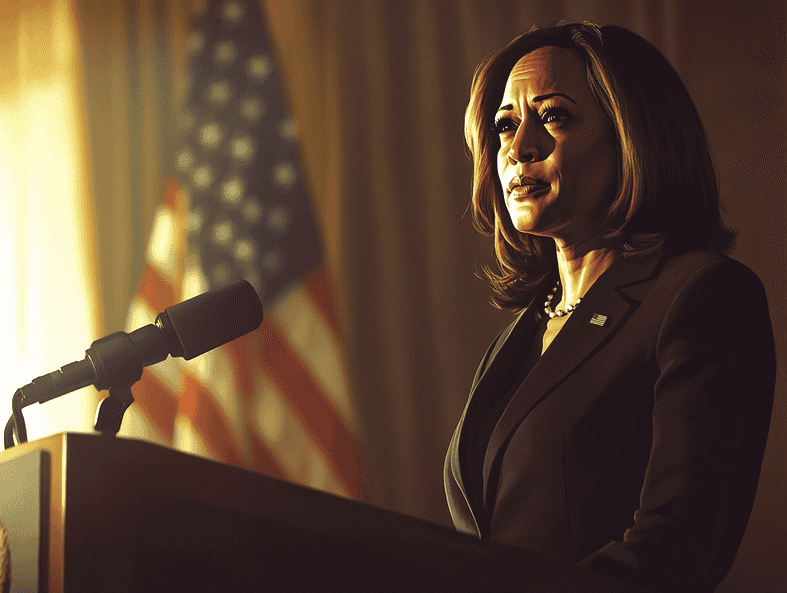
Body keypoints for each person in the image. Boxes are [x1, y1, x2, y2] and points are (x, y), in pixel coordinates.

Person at [444, 22, 775, 593]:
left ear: (632, 136)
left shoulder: (703, 295)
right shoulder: (519, 335)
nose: (518, 147)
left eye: (553, 116)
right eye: (504, 125)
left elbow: (680, 544)